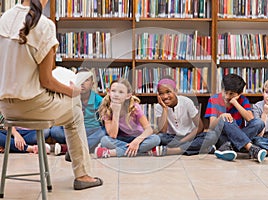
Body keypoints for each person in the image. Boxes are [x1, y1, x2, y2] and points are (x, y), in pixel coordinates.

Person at [0, 0, 102, 190]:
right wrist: (71, 91)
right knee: (75, 108)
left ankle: (75, 151)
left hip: (6, 108)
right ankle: (83, 174)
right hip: (33, 106)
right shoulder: (44, 25)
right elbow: (46, 80)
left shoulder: (4, 18)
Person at [205, 74, 267, 163]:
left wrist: (235, 103)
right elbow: (211, 125)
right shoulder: (214, 99)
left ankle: (228, 147)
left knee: (259, 123)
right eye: (225, 92)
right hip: (221, 137)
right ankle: (251, 148)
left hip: (239, 134)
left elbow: (251, 119)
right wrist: (221, 117)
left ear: (239, 94)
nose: (227, 96)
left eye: (231, 94)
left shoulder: (243, 100)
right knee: (226, 119)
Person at [47, 69, 106, 161]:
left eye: (86, 80)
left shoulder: (98, 99)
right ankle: (77, 148)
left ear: (92, 84)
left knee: (102, 133)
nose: (82, 83)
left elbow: (102, 119)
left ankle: (66, 149)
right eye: (79, 79)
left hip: (90, 130)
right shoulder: (69, 95)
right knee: (55, 131)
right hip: (72, 129)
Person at [94, 78, 160, 158]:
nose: (116, 94)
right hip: (121, 139)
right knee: (105, 140)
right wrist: (116, 112)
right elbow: (113, 135)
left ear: (128, 95)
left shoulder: (134, 107)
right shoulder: (106, 110)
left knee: (156, 139)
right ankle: (143, 152)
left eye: (121, 92)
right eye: (113, 91)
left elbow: (149, 130)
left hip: (138, 138)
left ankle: (113, 153)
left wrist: (136, 142)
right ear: (108, 92)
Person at [153, 76, 217, 156]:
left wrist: (182, 141)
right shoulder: (159, 106)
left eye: (168, 92)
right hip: (172, 138)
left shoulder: (186, 102)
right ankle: (201, 148)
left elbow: (200, 127)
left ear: (175, 91)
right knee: (158, 137)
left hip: (191, 136)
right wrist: (164, 109)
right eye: (161, 93)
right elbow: (163, 131)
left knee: (211, 135)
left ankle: (175, 151)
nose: (165, 96)